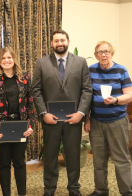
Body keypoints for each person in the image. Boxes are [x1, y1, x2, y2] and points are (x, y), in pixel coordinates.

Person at [32, 30, 93, 196]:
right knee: (50, 156)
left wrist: (81, 113)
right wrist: (43, 113)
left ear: (68, 41)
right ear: (52, 43)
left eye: (62, 40)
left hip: (73, 119)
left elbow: (87, 90)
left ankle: (74, 189)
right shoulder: (41, 63)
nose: (60, 43)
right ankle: (49, 189)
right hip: (50, 119)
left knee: (73, 156)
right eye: (56, 41)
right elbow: (36, 90)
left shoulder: (80, 63)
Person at [85, 41, 132, 196]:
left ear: (112, 53)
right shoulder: (90, 70)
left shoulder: (121, 70)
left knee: (121, 159)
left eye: (106, 52)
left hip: (117, 121)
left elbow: (129, 95)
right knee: (99, 160)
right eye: (100, 52)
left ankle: (127, 192)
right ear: (95, 55)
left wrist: (116, 100)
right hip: (97, 122)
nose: (103, 55)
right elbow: (85, 97)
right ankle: (101, 190)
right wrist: (87, 119)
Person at [0, 47, 34, 196]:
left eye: (9, 57)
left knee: (20, 163)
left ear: (14, 59)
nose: (6, 61)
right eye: (3, 58)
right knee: (5, 164)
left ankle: (22, 193)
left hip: (21, 125)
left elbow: (30, 103)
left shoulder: (25, 77)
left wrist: (31, 125)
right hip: (2, 127)